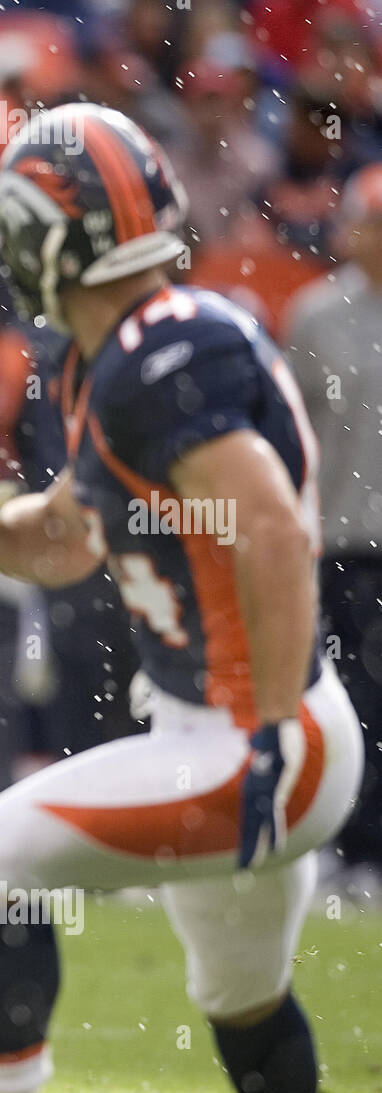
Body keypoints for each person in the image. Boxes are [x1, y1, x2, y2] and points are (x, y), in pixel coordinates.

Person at [0, 103, 373, 1093]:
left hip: (256, 733)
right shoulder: (135, 348)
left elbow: (264, 521)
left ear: (46, 237)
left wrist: (259, 730)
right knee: (240, 997)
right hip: (244, 725)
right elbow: (69, 539)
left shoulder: (161, 354)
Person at [284, 162, 382, 898]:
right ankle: (345, 846)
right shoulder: (316, 314)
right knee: (342, 700)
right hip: (342, 539)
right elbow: (292, 436)